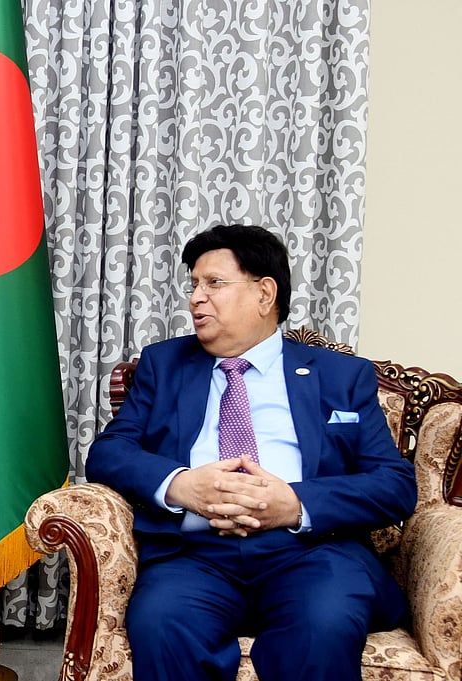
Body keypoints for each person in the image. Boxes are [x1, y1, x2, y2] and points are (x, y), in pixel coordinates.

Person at [86, 224, 416, 681]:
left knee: (323, 625)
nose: (196, 298)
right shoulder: (163, 365)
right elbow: (109, 452)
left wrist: (296, 505)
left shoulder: (342, 376)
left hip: (313, 554)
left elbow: (395, 485)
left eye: (214, 283)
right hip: (195, 555)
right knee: (162, 623)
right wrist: (181, 485)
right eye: (194, 285)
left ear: (265, 294)